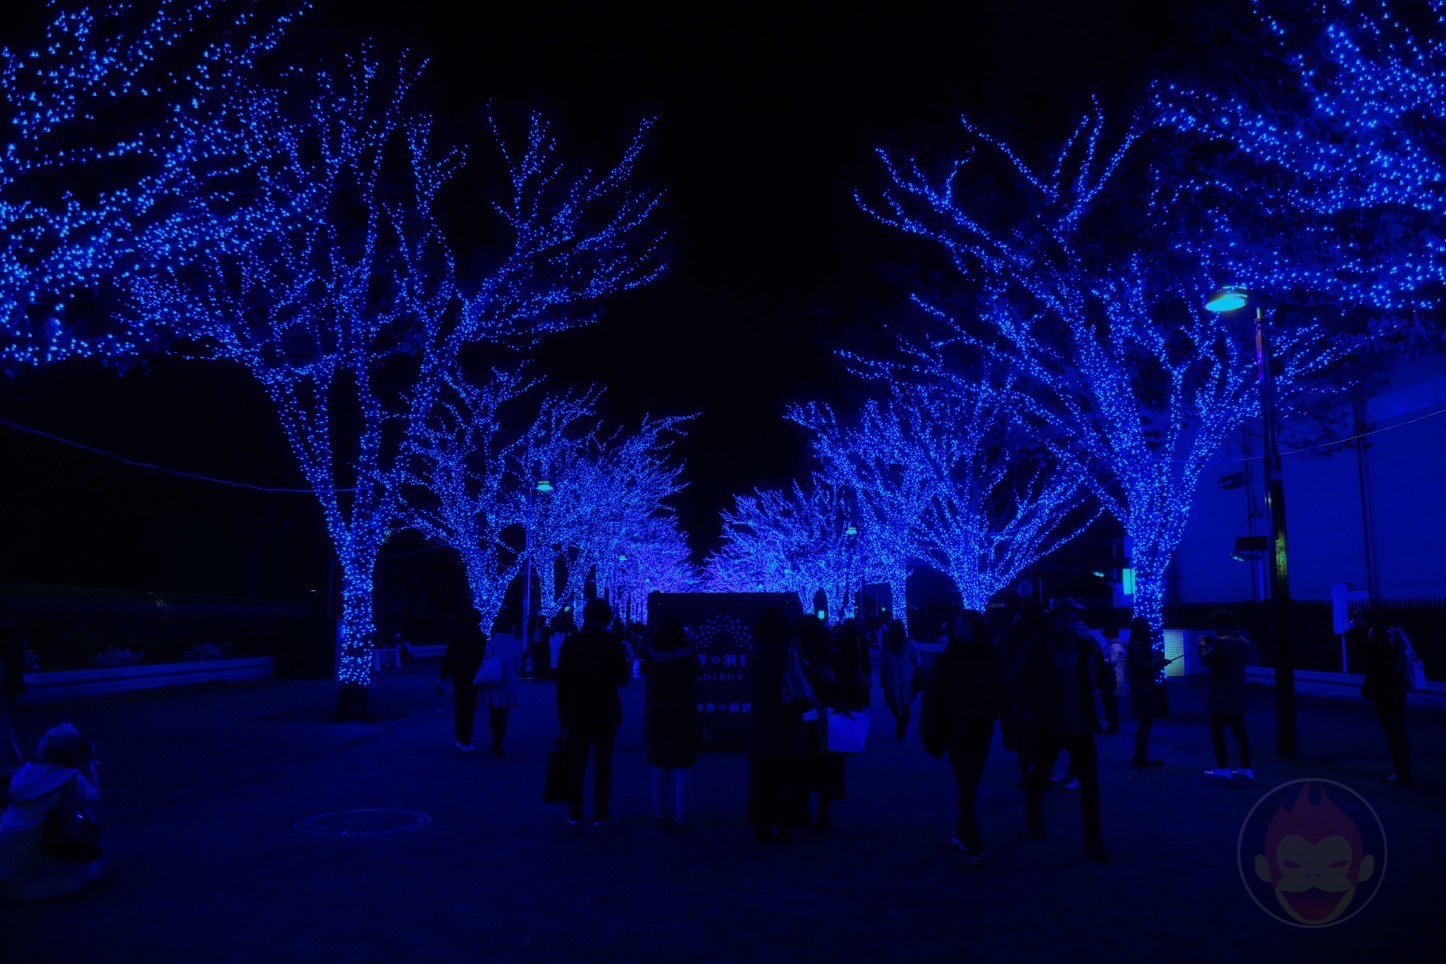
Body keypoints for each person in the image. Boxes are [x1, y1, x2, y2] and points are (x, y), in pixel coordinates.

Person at [1016, 598, 1110, 862]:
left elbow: (1098, 679)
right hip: (1049, 724)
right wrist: (1029, 713)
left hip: (1080, 724)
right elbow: (1021, 680)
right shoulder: (1038, 647)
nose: (1069, 624)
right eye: (1064, 619)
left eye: (1073, 620)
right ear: (1054, 621)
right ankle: (1034, 818)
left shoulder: (1086, 648)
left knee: (1090, 784)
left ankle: (1093, 839)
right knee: (1041, 776)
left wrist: (1105, 672)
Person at [923, 610, 1003, 862]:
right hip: (955, 729)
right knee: (966, 780)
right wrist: (932, 731)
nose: (959, 632)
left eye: (964, 627)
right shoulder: (947, 661)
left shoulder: (990, 658)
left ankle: (963, 829)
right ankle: (971, 834)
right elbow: (933, 698)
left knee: (970, 780)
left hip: (981, 728)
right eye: (956, 627)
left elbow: (1001, 690)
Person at [0, 723, 102, 900]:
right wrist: (90, 770)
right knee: (79, 880)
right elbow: (93, 796)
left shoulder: (25, 771)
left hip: (6, 837)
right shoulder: (71, 778)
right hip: (37, 840)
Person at [556, 599, 630, 827]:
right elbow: (623, 678)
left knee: (576, 762)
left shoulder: (571, 643)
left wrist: (563, 716)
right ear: (607, 618)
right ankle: (601, 813)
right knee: (603, 763)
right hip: (605, 709)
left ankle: (575, 812)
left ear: (586, 616)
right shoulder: (613, 643)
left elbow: (563, 682)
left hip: (576, 710)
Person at [747, 609, 812, 842]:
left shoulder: (755, 653)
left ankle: (761, 825)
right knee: (786, 777)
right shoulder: (789, 653)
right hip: (787, 721)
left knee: (762, 778)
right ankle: (785, 825)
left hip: (762, 722)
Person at [643, 615, 701, 829]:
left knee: (659, 767)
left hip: (659, 713)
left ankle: (660, 812)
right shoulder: (687, 657)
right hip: (683, 712)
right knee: (681, 767)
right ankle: (679, 814)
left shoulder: (653, 656)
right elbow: (697, 673)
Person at [1199, 609, 1252, 781]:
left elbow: (1207, 660)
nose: (1213, 627)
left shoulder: (1222, 642)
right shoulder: (1244, 642)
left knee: (1217, 730)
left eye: (1215, 624)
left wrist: (1202, 647)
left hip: (1221, 692)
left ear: (1222, 624)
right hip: (1238, 691)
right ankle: (1245, 767)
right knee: (1239, 731)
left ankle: (1223, 767)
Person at [1360, 622, 1413, 785]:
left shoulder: (1377, 643)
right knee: (1399, 731)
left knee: (1392, 732)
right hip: (1398, 691)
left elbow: (1372, 667)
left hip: (1383, 693)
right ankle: (1404, 770)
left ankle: (1401, 772)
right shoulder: (1398, 638)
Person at [438, 608, 485, 752]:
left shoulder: (456, 635)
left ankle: (459, 738)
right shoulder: (480, 637)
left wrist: (442, 675)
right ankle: (466, 740)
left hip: (458, 675)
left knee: (459, 706)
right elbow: (482, 659)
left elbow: (448, 656)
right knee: (469, 709)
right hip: (473, 676)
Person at [1126, 617, 1167, 767]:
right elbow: (1140, 667)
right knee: (1146, 721)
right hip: (1143, 688)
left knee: (1145, 722)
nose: (1148, 630)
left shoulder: (1136, 645)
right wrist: (1157, 664)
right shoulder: (1138, 646)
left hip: (1141, 686)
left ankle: (1141, 754)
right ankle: (1141, 756)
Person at [480, 623, 523, 756]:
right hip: (508, 682)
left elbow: (486, 660)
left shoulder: (492, 643)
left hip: (494, 681)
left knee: (494, 713)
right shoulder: (515, 644)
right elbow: (518, 664)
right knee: (504, 714)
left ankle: (494, 740)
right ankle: (499, 743)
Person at [878, 619, 920, 739]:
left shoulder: (886, 645)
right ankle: (902, 725)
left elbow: (883, 663)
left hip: (891, 677)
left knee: (893, 703)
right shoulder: (909, 643)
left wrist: (883, 678)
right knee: (906, 704)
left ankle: (899, 721)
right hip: (907, 677)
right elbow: (915, 660)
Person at [1101, 628, 1125, 734]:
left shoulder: (1114, 646)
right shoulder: (1116, 645)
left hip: (1113, 678)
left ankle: (1113, 726)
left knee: (1109, 703)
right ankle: (1113, 726)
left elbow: (1112, 662)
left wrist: (1099, 659)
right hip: (1115, 677)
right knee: (1111, 704)